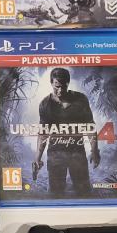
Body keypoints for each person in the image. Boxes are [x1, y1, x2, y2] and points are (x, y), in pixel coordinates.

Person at [33, 68, 100, 196]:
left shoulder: (80, 99)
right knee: (55, 193)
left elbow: (90, 126)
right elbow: (43, 133)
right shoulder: (45, 104)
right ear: (51, 83)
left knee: (84, 192)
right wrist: (37, 157)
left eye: (63, 86)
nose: (60, 90)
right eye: (57, 86)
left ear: (68, 83)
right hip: (55, 154)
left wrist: (94, 151)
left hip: (77, 152)